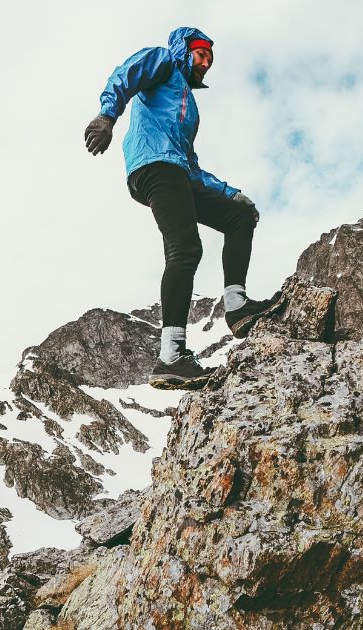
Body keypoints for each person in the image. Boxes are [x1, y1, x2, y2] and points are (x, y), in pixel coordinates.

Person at [85, 27, 285, 390]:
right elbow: (126, 74)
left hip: (176, 171)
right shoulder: (163, 61)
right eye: (201, 54)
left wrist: (232, 194)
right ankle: (171, 358)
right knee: (186, 248)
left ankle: (237, 307)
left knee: (239, 219)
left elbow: (190, 165)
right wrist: (107, 116)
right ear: (186, 51)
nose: (206, 63)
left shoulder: (188, 104)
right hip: (153, 166)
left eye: (210, 59)